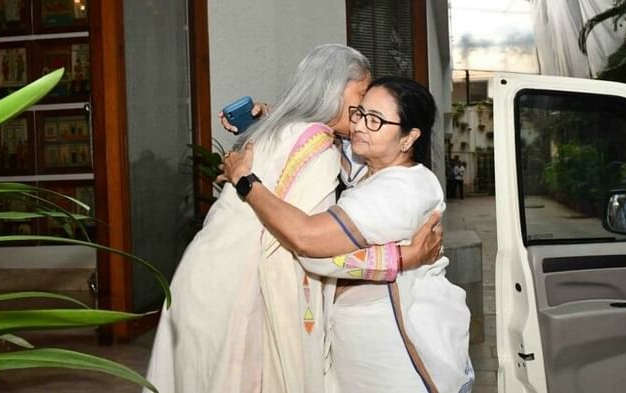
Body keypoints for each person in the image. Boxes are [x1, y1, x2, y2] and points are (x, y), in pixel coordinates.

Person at [143, 44, 441, 393]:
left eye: (374, 114)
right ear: (332, 88)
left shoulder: (277, 128)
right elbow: (309, 242)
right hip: (242, 287)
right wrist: (404, 257)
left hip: (203, 279)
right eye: (361, 98)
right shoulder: (316, 142)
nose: (361, 113)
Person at [223, 76, 474, 393]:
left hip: (401, 360)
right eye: (359, 112)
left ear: (408, 138)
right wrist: (268, 118)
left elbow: (307, 240)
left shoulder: (400, 189)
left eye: (375, 120)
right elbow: (325, 137)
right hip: (366, 352)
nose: (359, 126)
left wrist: (246, 180)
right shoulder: (373, 167)